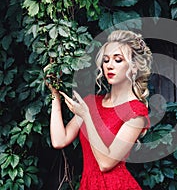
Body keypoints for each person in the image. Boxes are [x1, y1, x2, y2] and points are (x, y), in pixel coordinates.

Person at [47, 30, 153, 189]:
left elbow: (105, 163)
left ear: (134, 67)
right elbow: (59, 140)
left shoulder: (136, 113)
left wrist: (87, 116)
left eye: (118, 60)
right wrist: (55, 96)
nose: (109, 65)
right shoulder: (91, 103)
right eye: (106, 60)